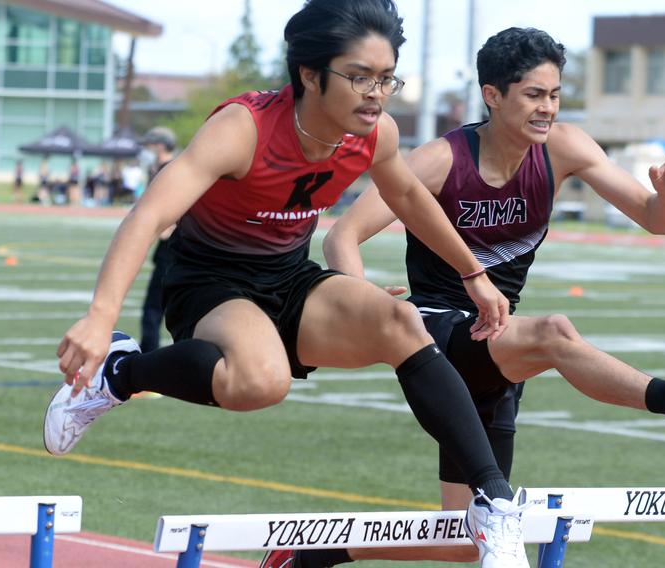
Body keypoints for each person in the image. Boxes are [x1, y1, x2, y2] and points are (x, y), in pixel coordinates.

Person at [44, 2, 531, 566]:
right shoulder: (242, 128)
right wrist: (101, 317)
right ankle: (120, 373)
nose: (376, 93)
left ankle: (494, 505)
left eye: (386, 78)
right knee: (261, 382)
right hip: (210, 279)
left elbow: (408, 198)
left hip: (288, 276)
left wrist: (474, 275)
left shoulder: (376, 135)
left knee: (400, 320)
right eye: (359, 77)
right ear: (309, 74)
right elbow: (147, 215)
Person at [261, 27, 665, 567]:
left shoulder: (564, 148)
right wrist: (360, 297)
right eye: (534, 95)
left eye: (555, 95)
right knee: (554, 332)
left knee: (467, 538)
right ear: (493, 95)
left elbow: (656, 220)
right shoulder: (442, 159)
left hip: (496, 343)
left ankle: (312, 555)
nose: (547, 109)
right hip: (437, 333)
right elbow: (341, 234)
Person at [138, 126, 179, 353]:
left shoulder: (169, 170)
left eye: (151, 145)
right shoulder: (166, 168)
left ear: (160, 145)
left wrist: (166, 226)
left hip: (171, 252)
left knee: (153, 310)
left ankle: (148, 360)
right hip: (172, 252)